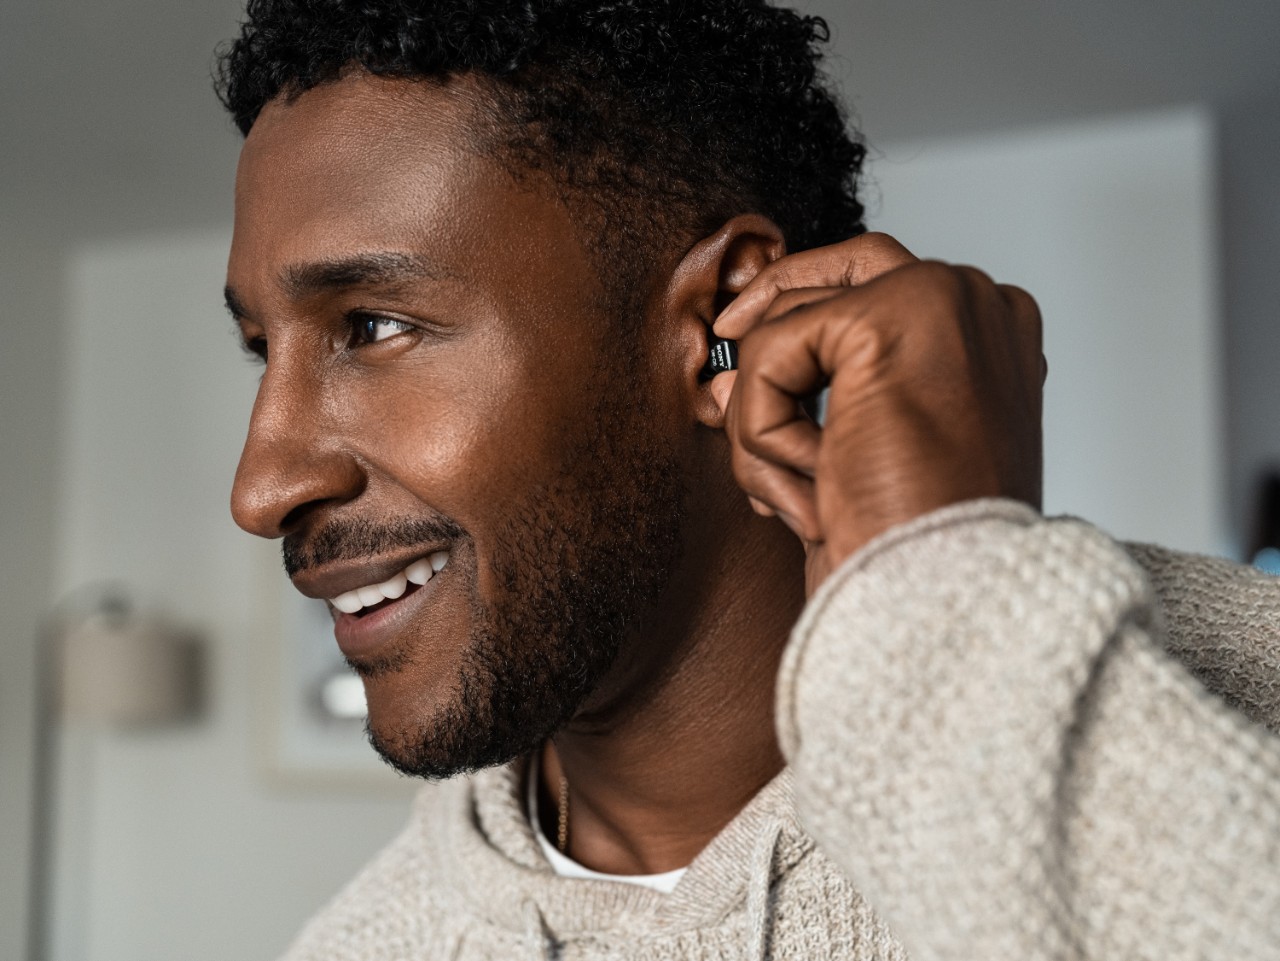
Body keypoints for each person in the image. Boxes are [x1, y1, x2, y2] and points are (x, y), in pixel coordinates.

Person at [216, 1, 1280, 958]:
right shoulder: (364, 943)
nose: (260, 486)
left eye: (374, 326)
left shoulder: (1245, 677)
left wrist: (953, 599)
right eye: (262, 348)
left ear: (714, 318)